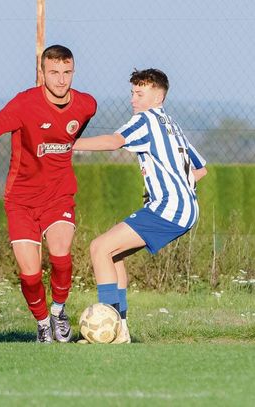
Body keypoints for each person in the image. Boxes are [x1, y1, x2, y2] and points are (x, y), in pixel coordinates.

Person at [73, 68, 207, 343]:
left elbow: (113, 142)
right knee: (113, 254)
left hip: (169, 208)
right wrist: (179, 187)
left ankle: (110, 328)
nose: (133, 99)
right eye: (132, 92)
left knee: (99, 248)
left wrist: (67, 143)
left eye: (139, 93)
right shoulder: (171, 124)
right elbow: (201, 169)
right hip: (183, 207)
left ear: (157, 96)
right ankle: (120, 329)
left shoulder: (145, 120)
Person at [0, 45, 97, 343]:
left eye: (67, 72)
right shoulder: (24, 103)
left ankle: (57, 312)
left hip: (59, 195)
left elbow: (74, 131)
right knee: (30, 275)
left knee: (61, 255)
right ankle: (42, 323)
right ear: (41, 73)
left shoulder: (86, 105)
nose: (61, 80)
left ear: (73, 71)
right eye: (54, 73)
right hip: (21, 200)